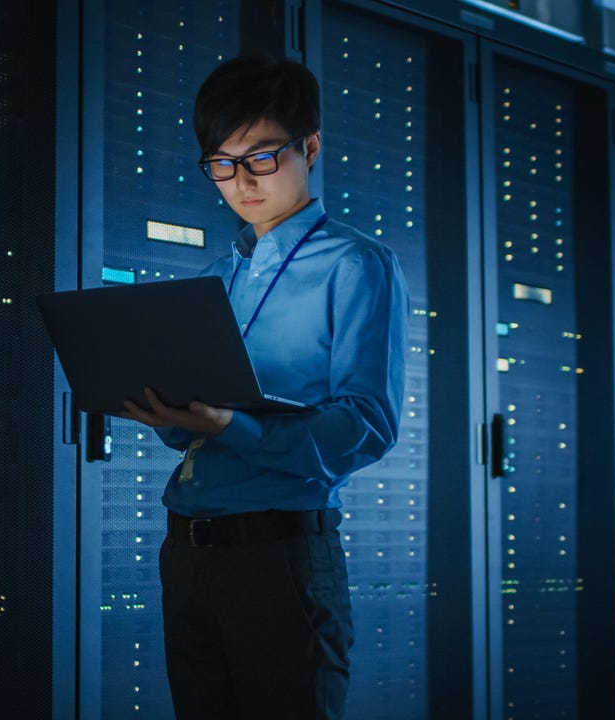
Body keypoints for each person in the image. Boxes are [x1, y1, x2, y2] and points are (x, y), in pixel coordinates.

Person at [121, 55, 408, 719]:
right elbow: (191, 425)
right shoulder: (216, 276)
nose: (241, 183)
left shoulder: (356, 265)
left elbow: (366, 424)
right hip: (187, 555)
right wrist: (165, 411)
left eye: (261, 157)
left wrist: (233, 427)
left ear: (311, 146)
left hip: (281, 559)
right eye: (221, 163)